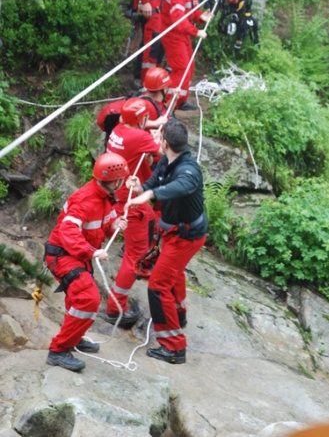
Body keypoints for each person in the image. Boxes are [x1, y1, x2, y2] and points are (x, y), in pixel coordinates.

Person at [126, 120, 208, 364]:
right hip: (175, 233)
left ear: (165, 143)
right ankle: (179, 314)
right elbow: (155, 181)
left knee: (157, 287)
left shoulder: (189, 171)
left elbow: (178, 187)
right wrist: (141, 187)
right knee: (172, 275)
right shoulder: (168, 160)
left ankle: (174, 346)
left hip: (186, 237)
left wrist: (150, 195)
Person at [44, 153, 129, 372]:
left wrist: (115, 225)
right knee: (88, 298)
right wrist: (92, 252)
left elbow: (104, 223)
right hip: (64, 255)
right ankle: (59, 350)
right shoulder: (85, 200)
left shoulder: (103, 197)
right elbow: (68, 231)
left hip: (77, 256)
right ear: (115, 180)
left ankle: (74, 336)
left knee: (79, 299)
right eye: (121, 180)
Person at [104, 98, 161, 327]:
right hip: (128, 201)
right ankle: (115, 308)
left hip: (124, 195)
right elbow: (163, 152)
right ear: (142, 119)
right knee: (133, 256)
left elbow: (141, 136)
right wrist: (158, 133)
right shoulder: (140, 137)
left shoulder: (119, 129)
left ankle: (147, 258)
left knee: (150, 217)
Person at [160, 0, 213, 111]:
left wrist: (201, 17)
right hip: (172, 34)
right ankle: (168, 106)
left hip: (181, 32)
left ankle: (180, 99)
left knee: (189, 66)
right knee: (181, 68)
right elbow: (177, 18)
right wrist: (196, 31)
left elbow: (191, 12)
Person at [96, 66, 171, 147]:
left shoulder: (143, 97)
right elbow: (126, 120)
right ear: (164, 89)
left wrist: (175, 100)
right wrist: (154, 123)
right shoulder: (147, 107)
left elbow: (164, 112)